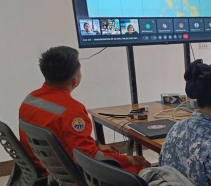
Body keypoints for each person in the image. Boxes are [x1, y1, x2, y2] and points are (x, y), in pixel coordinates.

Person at [19, 46, 150, 176]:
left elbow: (64, 137)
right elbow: (90, 158)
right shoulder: (72, 110)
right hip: (69, 180)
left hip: (43, 171)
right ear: (75, 80)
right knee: (139, 168)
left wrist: (96, 145)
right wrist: (129, 159)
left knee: (112, 155)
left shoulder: (30, 100)